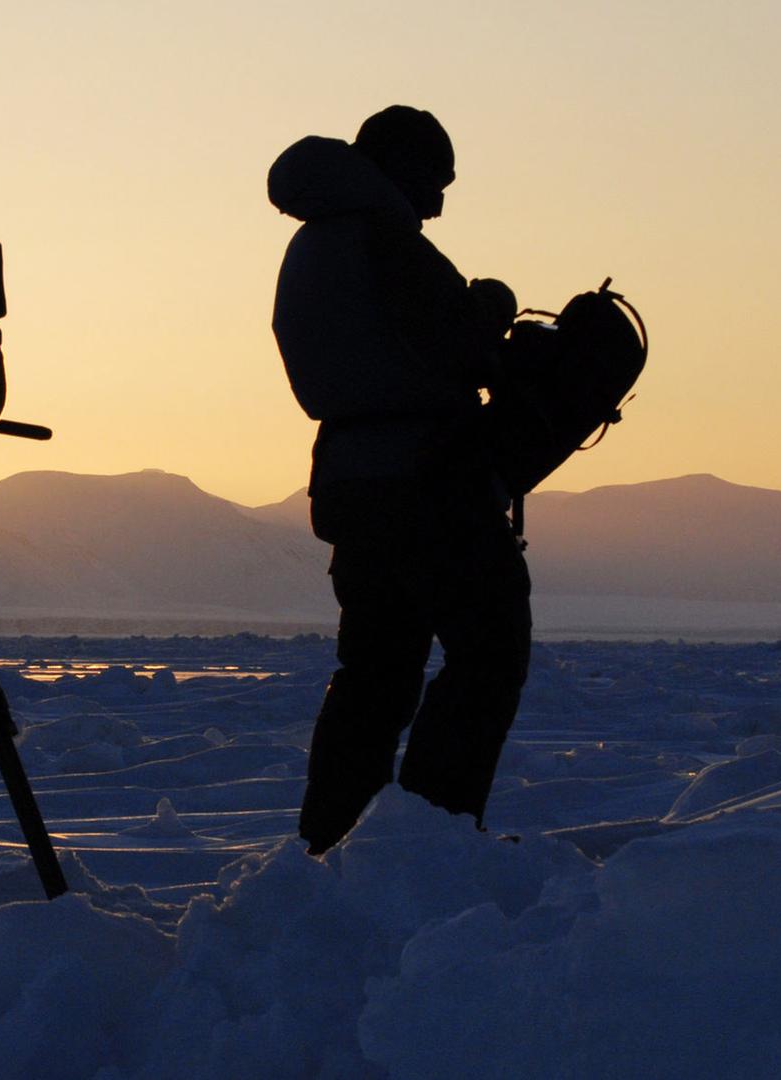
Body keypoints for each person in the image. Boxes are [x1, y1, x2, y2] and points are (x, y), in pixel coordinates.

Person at [268, 105, 531, 854]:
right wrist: (492, 307)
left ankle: (335, 845)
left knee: (375, 674)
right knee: (489, 650)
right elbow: (457, 348)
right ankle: (430, 843)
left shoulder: (315, 243)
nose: (440, 203)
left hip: (353, 484)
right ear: (401, 170)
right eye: (436, 182)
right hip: (426, 482)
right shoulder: (389, 244)